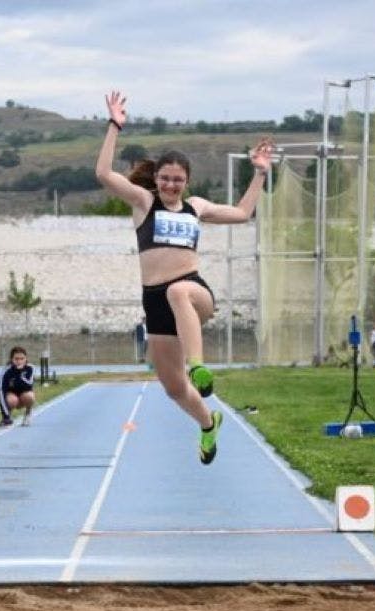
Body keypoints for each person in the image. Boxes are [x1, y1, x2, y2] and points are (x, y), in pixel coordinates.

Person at [95, 90, 273, 465]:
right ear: (156, 179)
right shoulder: (144, 203)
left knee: (178, 291)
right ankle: (209, 424)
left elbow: (242, 213)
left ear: (187, 181)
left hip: (194, 293)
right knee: (174, 389)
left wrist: (259, 172)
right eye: (165, 178)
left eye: (178, 179)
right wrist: (115, 125)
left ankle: (198, 365)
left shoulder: (197, 208)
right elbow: (103, 174)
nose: (171, 185)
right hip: (154, 303)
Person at [0, 345, 36, 427]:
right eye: (16, 359)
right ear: (12, 359)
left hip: (24, 395)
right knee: (12, 400)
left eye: (22, 359)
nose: (19, 361)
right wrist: (5, 415)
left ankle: (28, 414)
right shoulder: (7, 370)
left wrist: (20, 373)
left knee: (30, 396)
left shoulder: (30, 368)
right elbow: (0, 391)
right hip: (12, 395)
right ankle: (8, 417)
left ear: (26, 358)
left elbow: (29, 385)